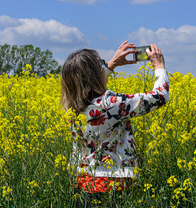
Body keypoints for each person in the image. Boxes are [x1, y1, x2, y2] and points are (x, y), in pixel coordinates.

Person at [61, 41, 169, 207]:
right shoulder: (109, 104)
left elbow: (87, 85)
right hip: (111, 185)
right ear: (95, 75)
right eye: (101, 66)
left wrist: (112, 64)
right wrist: (159, 65)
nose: (103, 68)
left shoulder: (71, 106)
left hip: (84, 184)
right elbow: (160, 96)